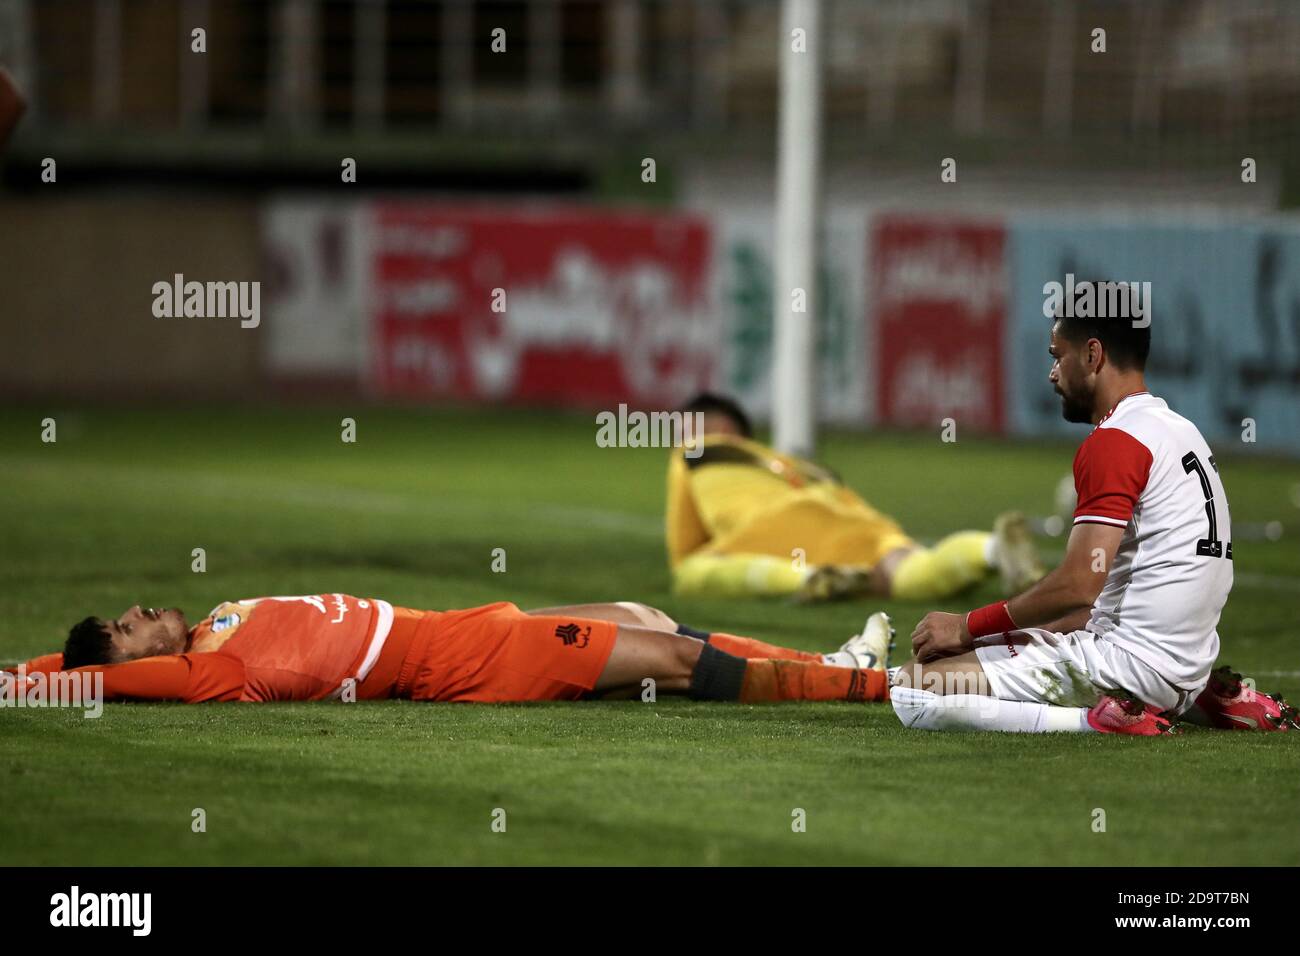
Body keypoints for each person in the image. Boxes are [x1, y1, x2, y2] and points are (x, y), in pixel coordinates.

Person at [891, 309, 1296, 735]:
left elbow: (1079, 584)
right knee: (950, 655)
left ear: (1092, 355)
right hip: (1186, 665)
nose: (1051, 374)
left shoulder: (1114, 443)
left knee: (915, 687)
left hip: (1127, 667)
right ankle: (1210, 699)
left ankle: (1101, 722)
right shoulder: (1180, 431)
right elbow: (1101, 601)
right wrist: (981, 636)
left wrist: (965, 625)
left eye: (1057, 356)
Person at [3, 596, 895, 706]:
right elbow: (93, 681)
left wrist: (11, 670)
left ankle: (830, 656)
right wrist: (38, 686)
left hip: (461, 625)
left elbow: (66, 663)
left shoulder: (214, 625)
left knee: (648, 617)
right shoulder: (211, 671)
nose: (133, 613)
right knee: (669, 663)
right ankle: (857, 689)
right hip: (464, 664)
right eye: (125, 632)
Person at [665, 392, 1043, 602]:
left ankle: (807, 578)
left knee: (690, 574)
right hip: (860, 522)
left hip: (779, 529)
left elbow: (683, 548)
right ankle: (992, 550)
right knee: (910, 575)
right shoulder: (796, 467)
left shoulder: (697, 450)